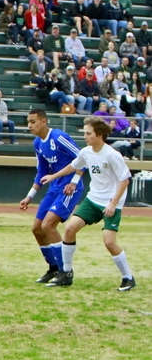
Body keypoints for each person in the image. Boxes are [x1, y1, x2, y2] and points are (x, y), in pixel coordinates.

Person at [41, 117, 135, 291]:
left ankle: (128, 277)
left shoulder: (112, 155)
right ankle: (66, 273)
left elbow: (125, 180)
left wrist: (113, 204)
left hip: (111, 202)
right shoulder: (86, 152)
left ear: (99, 135)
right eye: (84, 133)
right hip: (93, 199)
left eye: (88, 133)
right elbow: (72, 166)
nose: (85, 136)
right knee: (70, 229)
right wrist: (53, 176)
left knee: (109, 242)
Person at [18, 109, 84, 285]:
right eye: (28, 122)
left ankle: (65, 272)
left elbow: (82, 158)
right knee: (37, 228)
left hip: (69, 188)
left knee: (48, 225)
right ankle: (53, 268)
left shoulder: (58, 137)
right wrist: (29, 196)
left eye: (33, 122)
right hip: (55, 187)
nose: (29, 126)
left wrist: (75, 182)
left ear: (44, 121)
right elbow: (42, 171)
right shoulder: (38, 143)